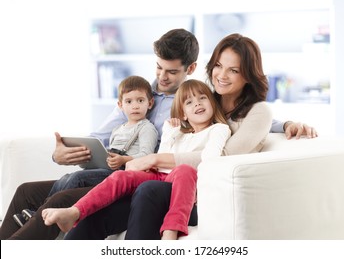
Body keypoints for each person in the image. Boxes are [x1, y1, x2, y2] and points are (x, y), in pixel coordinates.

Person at [0, 29, 317, 240]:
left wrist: (285, 124)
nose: (222, 75)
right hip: (132, 169)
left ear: (190, 69)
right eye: (219, 66)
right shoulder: (184, 96)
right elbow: (103, 133)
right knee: (32, 190)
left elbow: (232, 141)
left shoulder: (215, 105)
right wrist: (63, 151)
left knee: (68, 192)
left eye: (233, 70)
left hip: (175, 180)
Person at [42, 79, 232, 240]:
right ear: (182, 113)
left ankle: (171, 230)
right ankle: (75, 211)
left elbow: (211, 158)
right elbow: (162, 153)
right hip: (159, 177)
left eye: (202, 98)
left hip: (184, 182)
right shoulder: (178, 133)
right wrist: (170, 133)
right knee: (120, 177)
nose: (197, 104)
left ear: (212, 104)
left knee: (184, 170)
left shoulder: (218, 129)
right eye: (189, 102)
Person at [12, 75, 158, 227]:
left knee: (77, 178)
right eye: (129, 101)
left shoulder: (146, 128)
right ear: (120, 105)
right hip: (108, 167)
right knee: (67, 177)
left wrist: (123, 160)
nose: (135, 106)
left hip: (122, 173)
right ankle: (38, 211)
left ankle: (38, 216)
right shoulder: (117, 129)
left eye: (140, 100)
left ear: (150, 103)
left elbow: (147, 156)